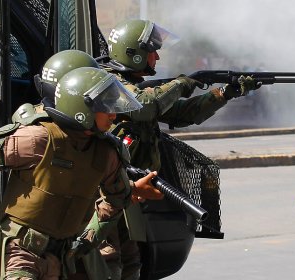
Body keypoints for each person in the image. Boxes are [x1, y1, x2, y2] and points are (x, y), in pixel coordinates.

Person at [0, 66, 165, 280]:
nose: (113, 115)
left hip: (58, 258)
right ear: (82, 108)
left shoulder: (107, 154)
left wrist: (87, 241)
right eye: (104, 106)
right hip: (20, 253)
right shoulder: (37, 139)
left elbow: (117, 199)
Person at [98, 19, 262, 280]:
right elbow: (146, 106)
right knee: (108, 265)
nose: (157, 56)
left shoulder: (133, 84)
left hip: (131, 197)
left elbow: (185, 114)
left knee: (131, 267)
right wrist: (183, 83)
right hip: (107, 198)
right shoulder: (109, 84)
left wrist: (226, 93)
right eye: (153, 50)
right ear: (135, 53)